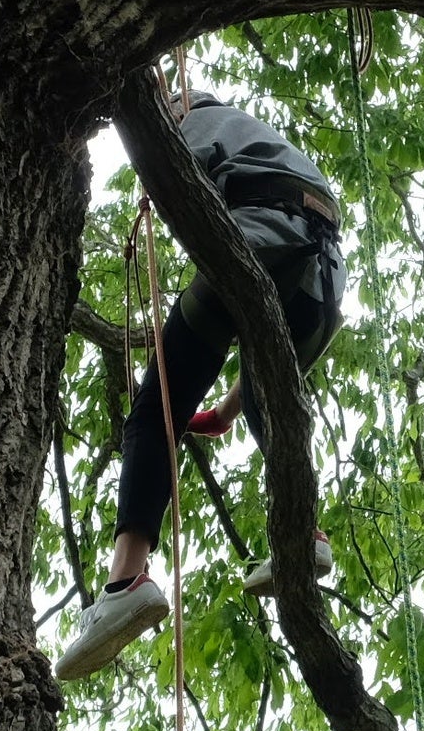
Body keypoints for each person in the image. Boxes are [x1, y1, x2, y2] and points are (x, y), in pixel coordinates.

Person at [54, 88, 347, 683]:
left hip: (261, 240)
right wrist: (232, 409)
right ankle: (305, 536)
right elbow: (273, 325)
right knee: (273, 393)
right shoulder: (264, 140)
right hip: (324, 283)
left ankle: (126, 580)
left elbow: (169, 172)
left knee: (155, 407)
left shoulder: (195, 121)